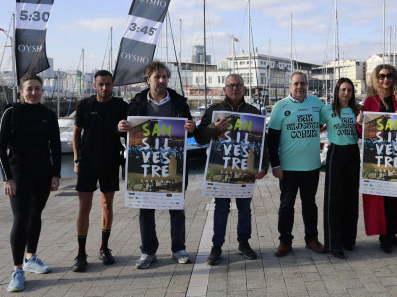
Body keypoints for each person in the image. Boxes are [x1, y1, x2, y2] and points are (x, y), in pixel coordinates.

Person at [117, 61, 197, 269]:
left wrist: (192, 126)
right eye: (157, 77)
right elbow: (125, 128)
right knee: (145, 208)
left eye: (164, 77)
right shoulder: (135, 103)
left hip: (173, 163)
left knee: (176, 207)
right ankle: (148, 251)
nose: (162, 81)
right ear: (147, 80)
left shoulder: (179, 103)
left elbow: (190, 128)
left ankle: (178, 248)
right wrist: (121, 127)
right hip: (145, 164)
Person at [196, 73, 268, 265]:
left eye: (238, 85)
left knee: (245, 210)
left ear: (244, 88)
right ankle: (216, 247)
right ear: (225, 89)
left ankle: (244, 243)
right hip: (222, 169)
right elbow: (199, 137)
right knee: (221, 209)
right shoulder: (214, 111)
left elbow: (264, 143)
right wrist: (214, 128)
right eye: (231, 85)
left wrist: (264, 166)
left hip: (245, 169)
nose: (234, 88)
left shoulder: (254, 112)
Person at [0, 74, 61, 292]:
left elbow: (55, 147)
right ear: (21, 91)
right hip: (19, 172)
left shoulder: (48, 115)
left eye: (37, 89)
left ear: (42, 91)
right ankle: (17, 270)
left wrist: (56, 174)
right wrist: (7, 177)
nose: (33, 93)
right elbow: (0, 147)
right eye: (29, 89)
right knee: (21, 218)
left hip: (42, 173)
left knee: (36, 215)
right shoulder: (12, 112)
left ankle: (31, 257)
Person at [71, 70, 128, 272]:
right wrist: (76, 160)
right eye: (101, 84)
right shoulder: (84, 105)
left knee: (107, 204)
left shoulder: (121, 106)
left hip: (111, 161)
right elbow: (76, 134)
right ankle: (81, 252)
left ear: (113, 85)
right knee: (84, 207)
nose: (105, 88)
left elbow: (130, 134)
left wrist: (126, 165)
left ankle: (104, 247)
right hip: (87, 161)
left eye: (108, 84)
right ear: (94, 85)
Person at [268, 72, 325, 257]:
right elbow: (272, 140)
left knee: (310, 205)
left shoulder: (317, 104)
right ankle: (285, 242)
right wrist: (275, 165)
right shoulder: (280, 106)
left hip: (312, 166)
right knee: (286, 206)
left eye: (303, 83)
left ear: (307, 85)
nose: (299, 86)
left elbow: (332, 118)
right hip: (288, 168)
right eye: (296, 83)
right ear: (290, 86)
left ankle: (312, 239)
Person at [362, 64, 397, 253]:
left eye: (389, 76)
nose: (386, 80)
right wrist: (360, 123)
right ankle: (384, 236)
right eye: (381, 76)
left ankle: (392, 233)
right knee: (381, 197)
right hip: (377, 157)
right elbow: (363, 132)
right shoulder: (369, 102)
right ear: (376, 79)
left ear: (395, 78)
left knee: (396, 196)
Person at [320, 78, 362, 259]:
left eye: (350, 90)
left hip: (353, 153)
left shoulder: (358, 110)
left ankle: (348, 240)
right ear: (337, 91)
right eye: (343, 89)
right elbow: (315, 127)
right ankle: (334, 243)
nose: (346, 93)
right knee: (334, 199)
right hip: (336, 153)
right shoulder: (327, 110)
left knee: (351, 199)